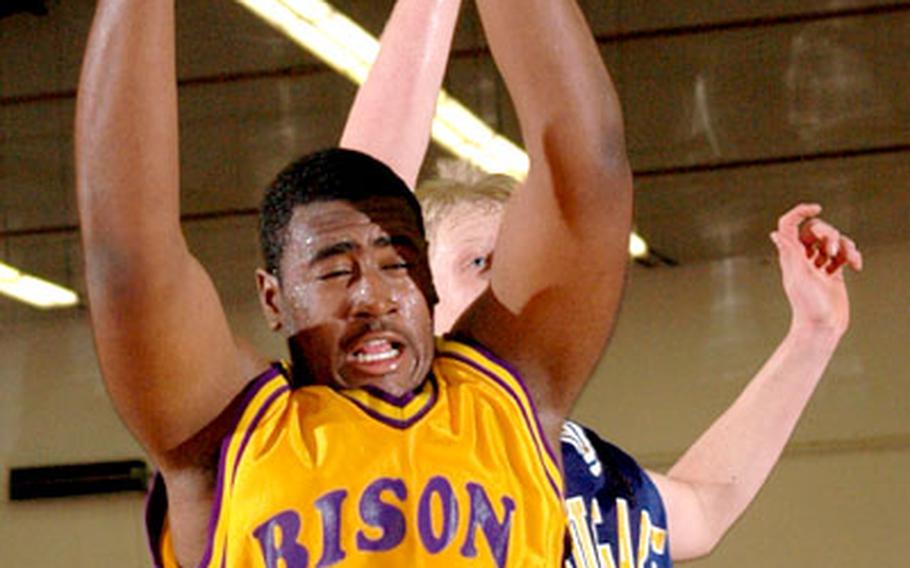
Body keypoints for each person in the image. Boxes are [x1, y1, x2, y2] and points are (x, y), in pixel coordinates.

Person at [75, 0, 630, 567]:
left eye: (398, 264)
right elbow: (127, 258)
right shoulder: (230, 434)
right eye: (336, 270)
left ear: (430, 287)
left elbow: (590, 170)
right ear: (273, 299)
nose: (374, 297)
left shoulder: (506, 398)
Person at [333, 2, 864, 565]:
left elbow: (705, 507)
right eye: (481, 263)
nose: (515, 281)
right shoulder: (376, 429)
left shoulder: (581, 463)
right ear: (411, 298)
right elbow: (350, 208)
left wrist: (814, 334)